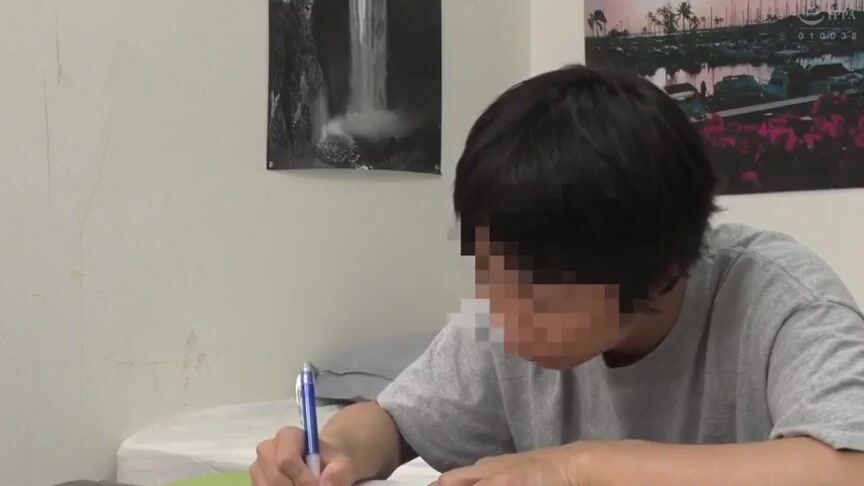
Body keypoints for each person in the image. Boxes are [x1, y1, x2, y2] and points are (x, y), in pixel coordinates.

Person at [251, 65, 864, 486]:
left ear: (663, 273)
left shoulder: (780, 298)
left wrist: (577, 468)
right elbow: (396, 422)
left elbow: (848, 466)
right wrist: (335, 452)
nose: (504, 320)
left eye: (540, 298)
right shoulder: (499, 316)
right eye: (487, 273)